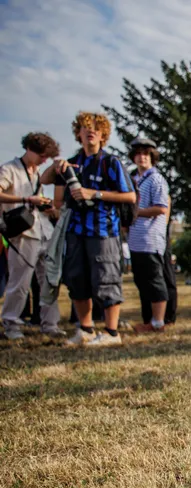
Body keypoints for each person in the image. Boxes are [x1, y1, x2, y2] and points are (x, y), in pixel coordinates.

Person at [43, 112, 136, 347]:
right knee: (77, 280)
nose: (90, 130)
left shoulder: (110, 162)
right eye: (85, 127)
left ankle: (112, 333)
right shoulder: (73, 162)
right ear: (78, 133)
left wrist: (94, 194)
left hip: (104, 231)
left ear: (103, 133)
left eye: (95, 127)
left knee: (106, 280)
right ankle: (85, 329)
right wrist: (56, 167)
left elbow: (130, 196)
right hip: (75, 230)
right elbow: (44, 180)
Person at [0, 132, 62, 341]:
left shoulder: (36, 173)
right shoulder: (10, 169)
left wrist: (46, 206)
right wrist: (25, 198)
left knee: (49, 280)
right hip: (23, 233)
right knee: (20, 281)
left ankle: (50, 323)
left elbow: (38, 200)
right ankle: (10, 322)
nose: (44, 160)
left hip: (43, 231)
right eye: (42, 156)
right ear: (30, 149)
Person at [125, 138, 171, 334]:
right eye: (138, 154)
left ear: (152, 157)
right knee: (142, 282)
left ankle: (158, 321)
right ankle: (148, 320)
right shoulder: (134, 179)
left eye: (146, 154)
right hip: (135, 240)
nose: (142, 157)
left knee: (154, 281)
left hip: (150, 239)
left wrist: (136, 213)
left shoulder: (156, 179)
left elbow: (161, 208)